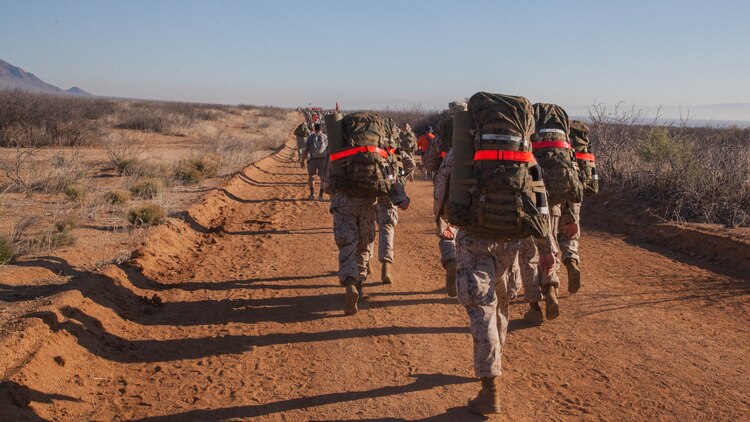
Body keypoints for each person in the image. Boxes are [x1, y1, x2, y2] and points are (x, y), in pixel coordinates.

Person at [440, 92, 555, 415]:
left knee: (482, 308)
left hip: (475, 238)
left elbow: (443, 185)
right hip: (512, 242)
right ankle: (495, 358)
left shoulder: (465, 152)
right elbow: (541, 202)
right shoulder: (526, 159)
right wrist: (547, 250)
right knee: (501, 300)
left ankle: (490, 386)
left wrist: (445, 223)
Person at [327, 112, 410, 315]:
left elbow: (329, 181)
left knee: (347, 243)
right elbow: (392, 173)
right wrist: (400, 198)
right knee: (364, 244)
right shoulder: (381, 150)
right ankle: (360, 284)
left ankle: (349, 282)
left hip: (344, 202)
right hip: (368, 202)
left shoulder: (340, 150)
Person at [427, 100, 467, 296]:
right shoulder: (474, 132)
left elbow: (429, 164)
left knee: (446, 231)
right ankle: (466, 280)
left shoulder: (441, 136)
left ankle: (451, 262)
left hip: (445, 190)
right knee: (469, 234)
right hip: (471, 190)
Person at [372, 121, 416, 284]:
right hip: (390, 190)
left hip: (370, 192)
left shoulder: (370, 150)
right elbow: (410, 164)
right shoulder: (395, 151)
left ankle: (366, 262)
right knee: (387, 228)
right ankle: (386, 266)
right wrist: (402, 178)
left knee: (367, 226)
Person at [301, 123, 328, 200]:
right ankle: (320, 196)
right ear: (321, 129)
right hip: (323, 160)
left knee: (311, 177)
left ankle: (312, 194)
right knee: (322, 178)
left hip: (312, 160)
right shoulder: (325, 137)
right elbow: (329, 150)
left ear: (314, 129)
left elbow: (306, 150)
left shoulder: (310, 137)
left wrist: (302, 160)